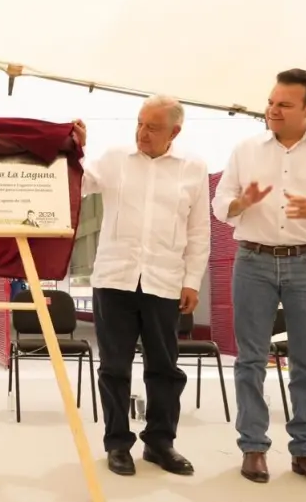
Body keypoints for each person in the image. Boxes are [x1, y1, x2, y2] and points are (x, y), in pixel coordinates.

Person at [212, 68, 306, 489]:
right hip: (253, 260)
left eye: (284, 104)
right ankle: (254, 447)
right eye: (271, 101)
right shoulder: (246, 148)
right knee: (249, 359)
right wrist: (242, 201)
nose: (272, 110)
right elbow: (220, 204)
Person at [73, 95, 211, 477]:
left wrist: (192, 281)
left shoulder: (193, 168)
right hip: (115, 278)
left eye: (152, 127)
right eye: (139, 123)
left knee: (164, 368)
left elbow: (199, 230)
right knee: (114, 366)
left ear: (175, 131)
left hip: (165, 282)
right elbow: (79, 184)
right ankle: (117, 443)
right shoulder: (116, 158)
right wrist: (78, 149)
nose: (142, 133)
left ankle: (160, 442)